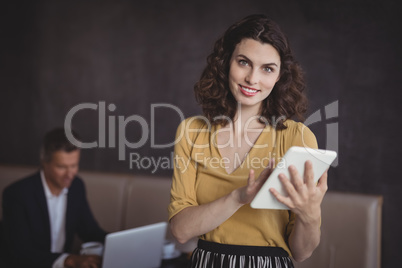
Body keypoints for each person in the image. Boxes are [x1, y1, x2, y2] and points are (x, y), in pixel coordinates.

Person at [168, 14, 328, 268]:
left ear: (279, 77)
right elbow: (180, 231)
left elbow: (301, 253)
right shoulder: (191, 132)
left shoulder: (298, 137)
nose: (252, 79)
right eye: (244, 62)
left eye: (267, 68)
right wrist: (238, 197)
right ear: (225, 63)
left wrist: (309, 215)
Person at [2, 128, 107, 268]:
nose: (70, 174)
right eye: (62, 167)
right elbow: (21, 254)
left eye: (74, 165)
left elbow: (90, 231)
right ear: (44, 163)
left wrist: (120, 244)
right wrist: (69, 260)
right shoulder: (17, 195)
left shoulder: (76, 186)